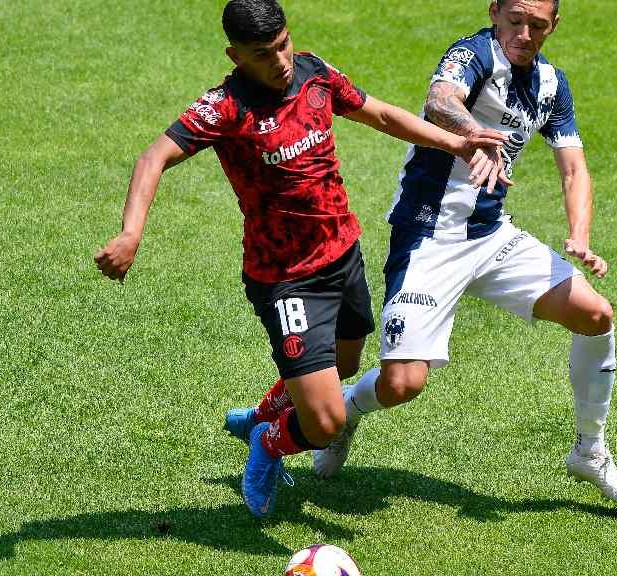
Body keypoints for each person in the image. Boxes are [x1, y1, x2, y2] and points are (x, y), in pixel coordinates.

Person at [94, 0, 506, 517]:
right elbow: (153, 156)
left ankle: (262, 416)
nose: (281, 60)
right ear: (236, 56)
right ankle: (269, 444)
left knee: (347, 365)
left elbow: (377, 112)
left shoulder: (313, 73)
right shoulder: (224, 107)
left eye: (284, 44)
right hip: (286, 281)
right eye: (264, 54)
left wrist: (458, 142)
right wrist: (132, 233)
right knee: (327, 422)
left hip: (343, 255)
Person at [314, 0, 617, 507]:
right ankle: (348, 415)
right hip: (429, 237)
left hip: (491, 237)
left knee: (596, 315)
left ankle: (590, 449)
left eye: (537, 25)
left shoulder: (553, 84)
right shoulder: (473, 54)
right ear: (495, 12)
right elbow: (440, 99)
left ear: (554, 25)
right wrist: (472, 134)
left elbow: (574, 168)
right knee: (402, 384)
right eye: (515, 20)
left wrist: (580, 236)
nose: (524, 33)